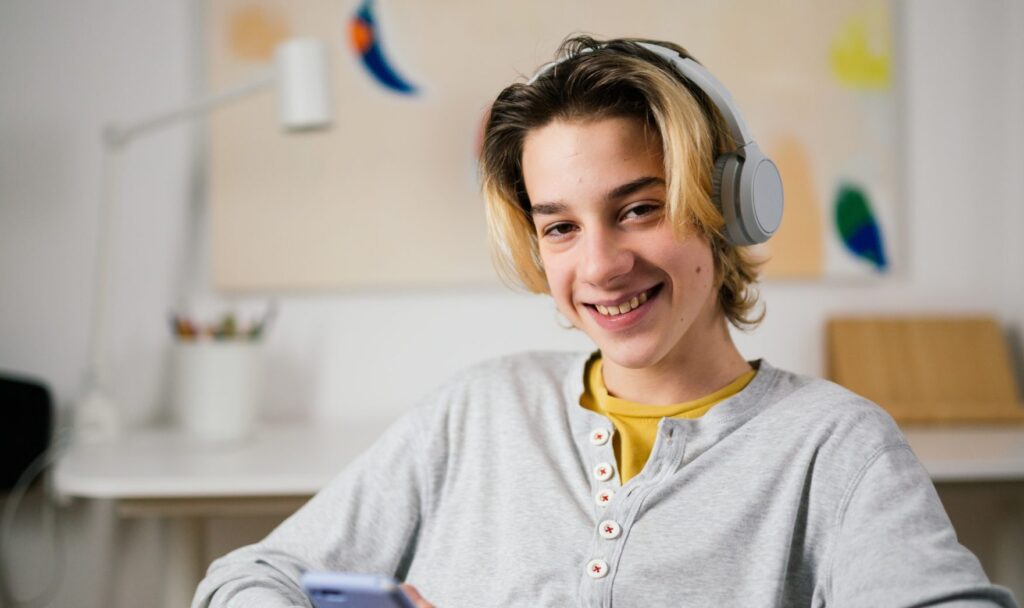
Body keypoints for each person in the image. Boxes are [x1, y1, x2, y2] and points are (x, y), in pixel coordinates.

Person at [193, 36, 1017, 608]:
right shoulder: (478, 411)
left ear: (725, 206)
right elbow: (251, 575)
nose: (599, 266)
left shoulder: (833, 448)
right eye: (560, 226)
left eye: (639, 208)